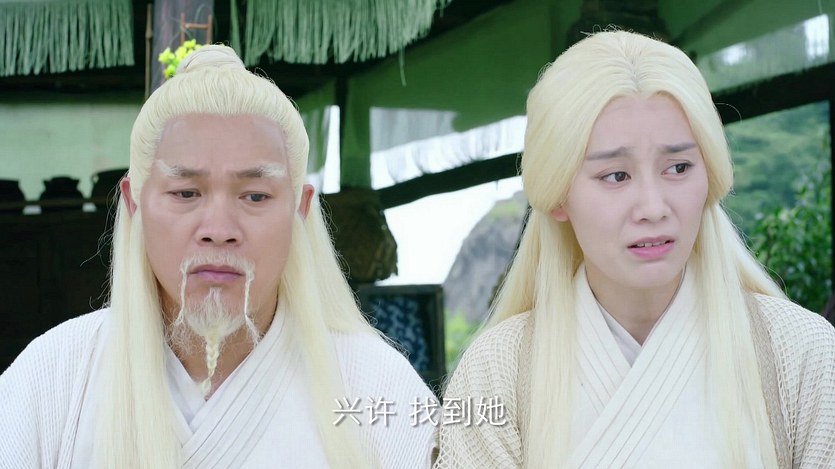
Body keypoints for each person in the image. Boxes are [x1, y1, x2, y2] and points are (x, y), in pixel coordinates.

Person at [0, 45, 436, 468]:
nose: (219, 229)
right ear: (134, 204)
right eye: (186, 193)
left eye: (255, 196)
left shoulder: (376, 385)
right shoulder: (54, 376)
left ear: (300, 210)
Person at [434, 30, 835, 468]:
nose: (653, 208)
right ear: (558, 195)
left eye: (678, 167)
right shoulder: (498, 370)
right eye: (616, 176)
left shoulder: (800, 351)